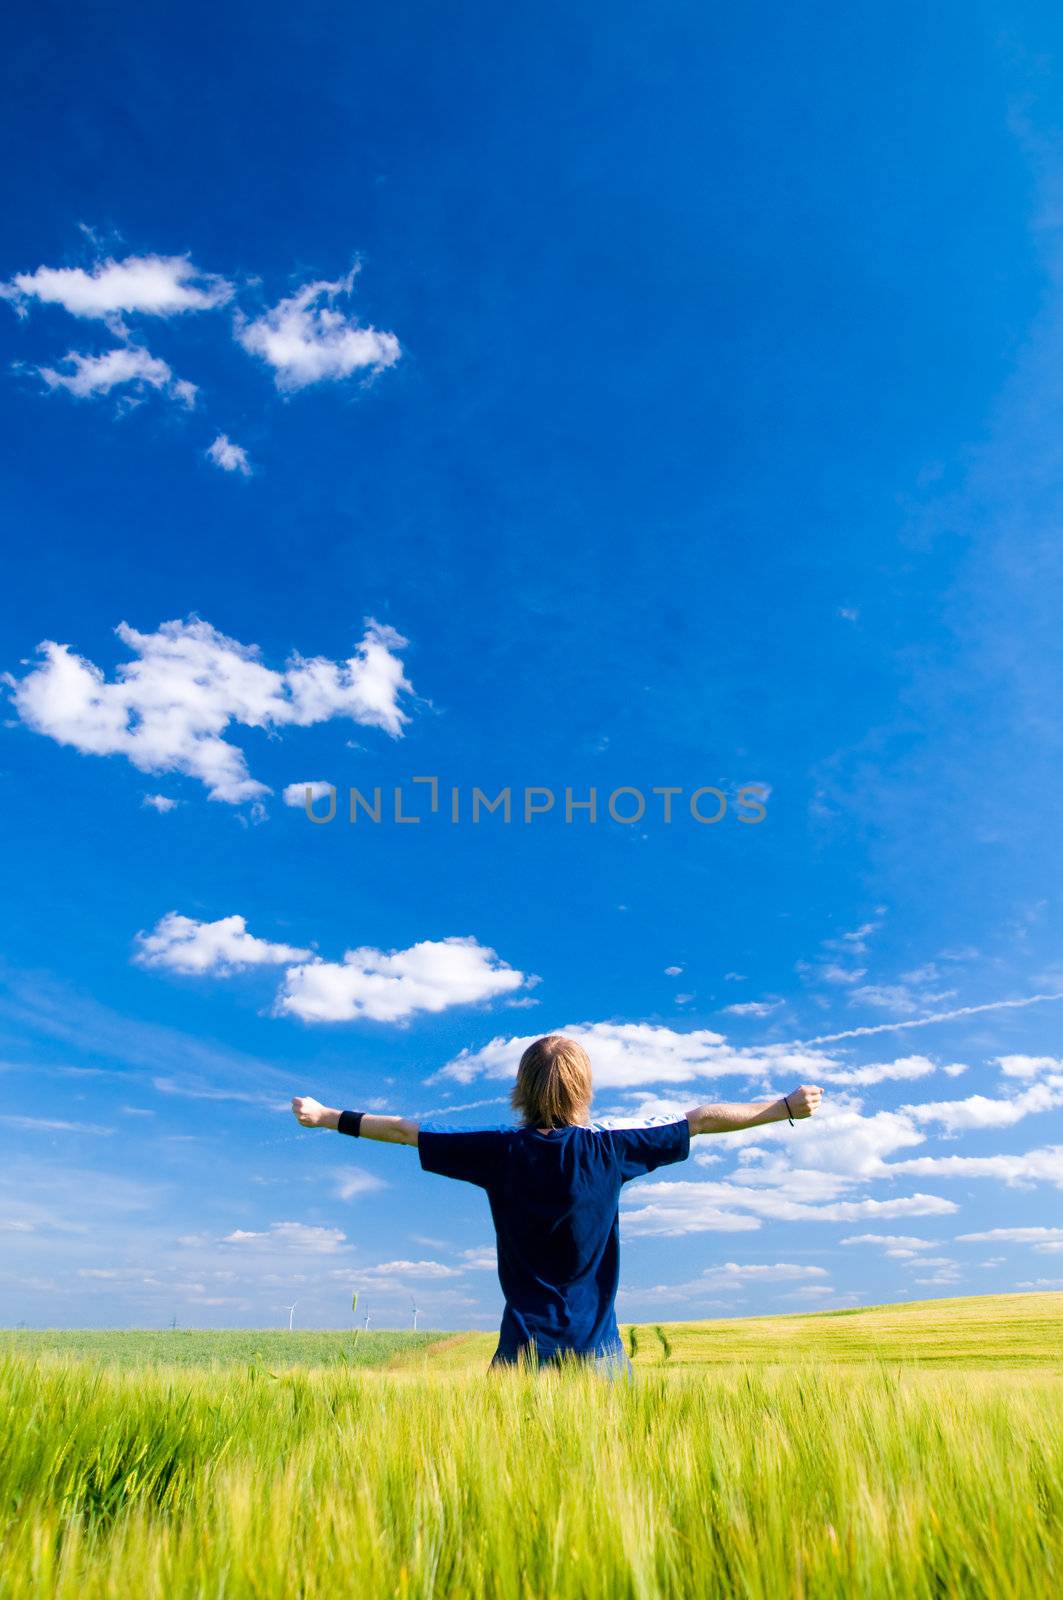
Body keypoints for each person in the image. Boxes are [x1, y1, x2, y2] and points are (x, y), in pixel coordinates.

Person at [291, 1033, 823, 1374]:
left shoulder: (498, 1151)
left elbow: (408, 1132)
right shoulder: (611, 1148)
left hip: (521, 1353)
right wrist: (784, 1108)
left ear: (522, 1088)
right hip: (599, 1356)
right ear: (583, 1089)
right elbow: (701, 1119)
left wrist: (325, 1115)